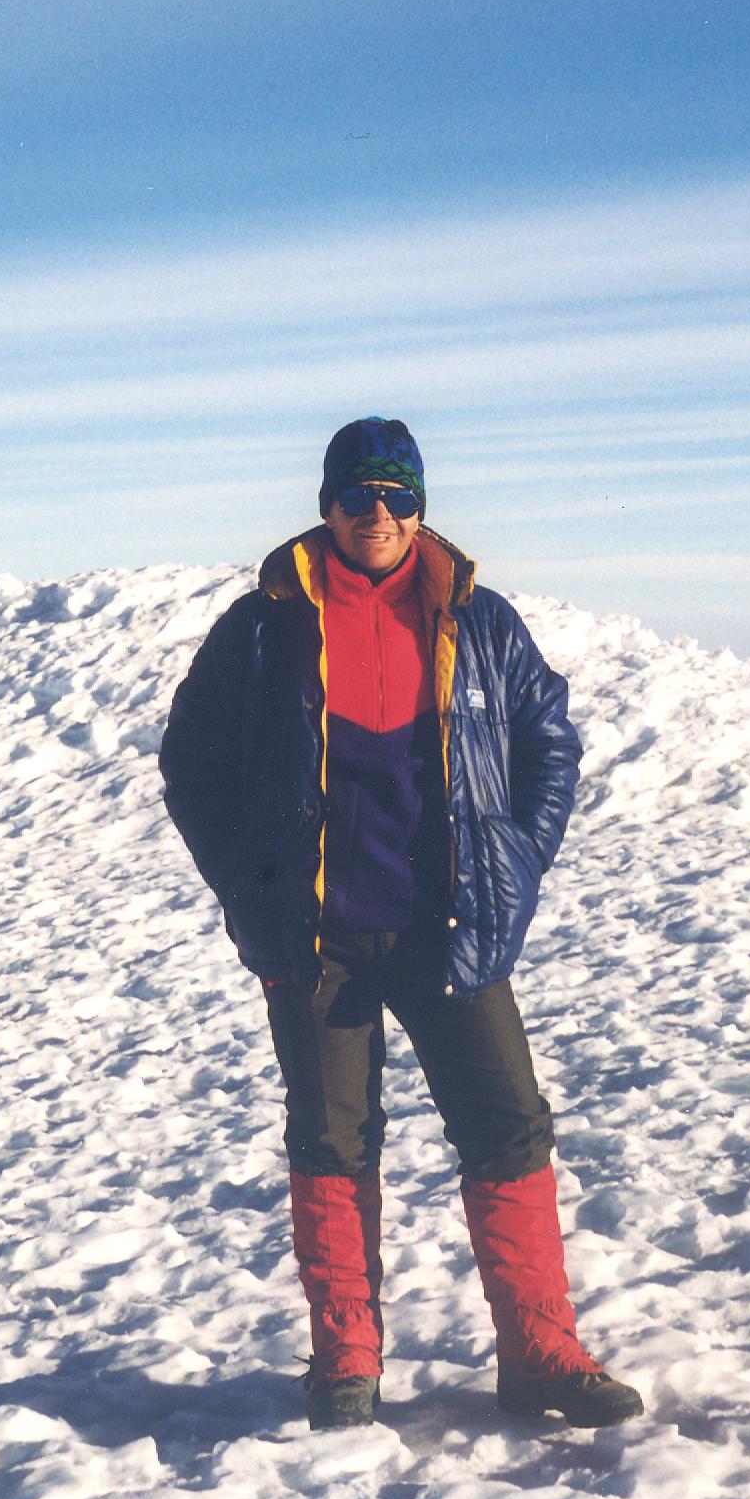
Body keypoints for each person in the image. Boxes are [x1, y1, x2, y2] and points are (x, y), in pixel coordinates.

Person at [159, 417, 643, 1432]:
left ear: (419, 505)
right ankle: (345, 1364)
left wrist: (517, 854)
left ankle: (541, 1354)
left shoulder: (478, 618)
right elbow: (191, 762)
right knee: (331, 1143)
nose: (376, 513)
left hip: (450, 929)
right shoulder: (265, 625)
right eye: (355, 494)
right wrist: (247, 886)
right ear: (326, 503)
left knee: (508, 1130)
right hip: (315, 938)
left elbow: (546, 736)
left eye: (396, 494)